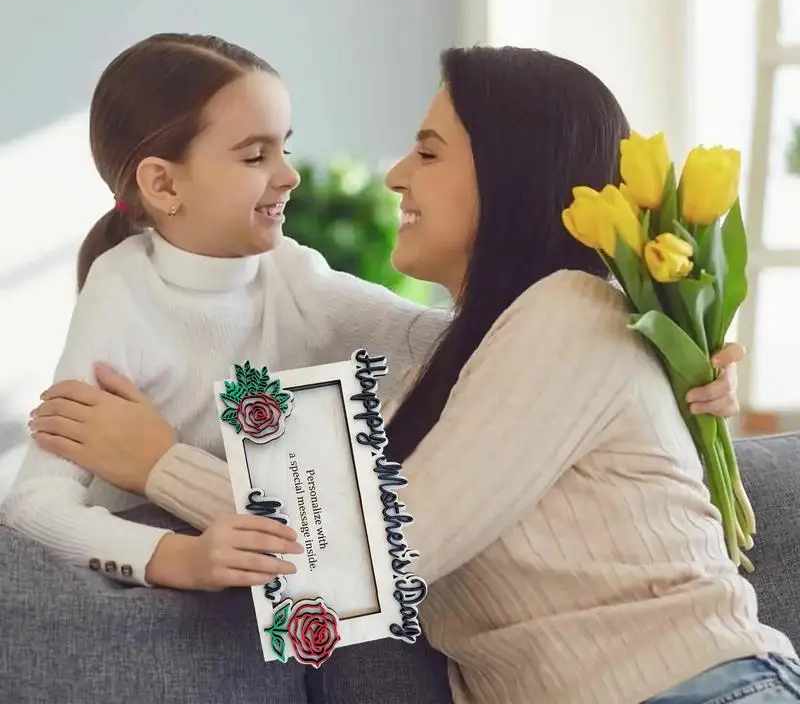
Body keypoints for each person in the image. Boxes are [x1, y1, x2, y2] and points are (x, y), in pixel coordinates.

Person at [20, 46, 779, 704]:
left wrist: (159, 464)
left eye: (428, 151)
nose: (393, 175)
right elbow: (334, 527)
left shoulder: (572, 311)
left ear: (509, 172)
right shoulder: (454, 361)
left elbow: (386, 553)